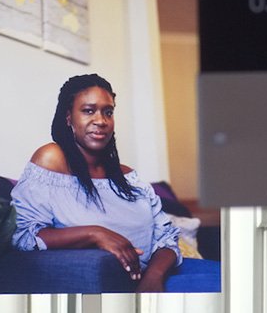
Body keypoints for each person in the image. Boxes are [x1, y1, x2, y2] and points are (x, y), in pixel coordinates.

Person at [10, 73, 182, 293]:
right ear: (68, 117)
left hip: (160, 279)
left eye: (108, 112)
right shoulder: (51, 159)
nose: (101, 121)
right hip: (104, 284)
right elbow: (22, 236)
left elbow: (167, 238)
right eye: (88, 111)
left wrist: (154, 277)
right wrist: (94, 233)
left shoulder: (129, 177)